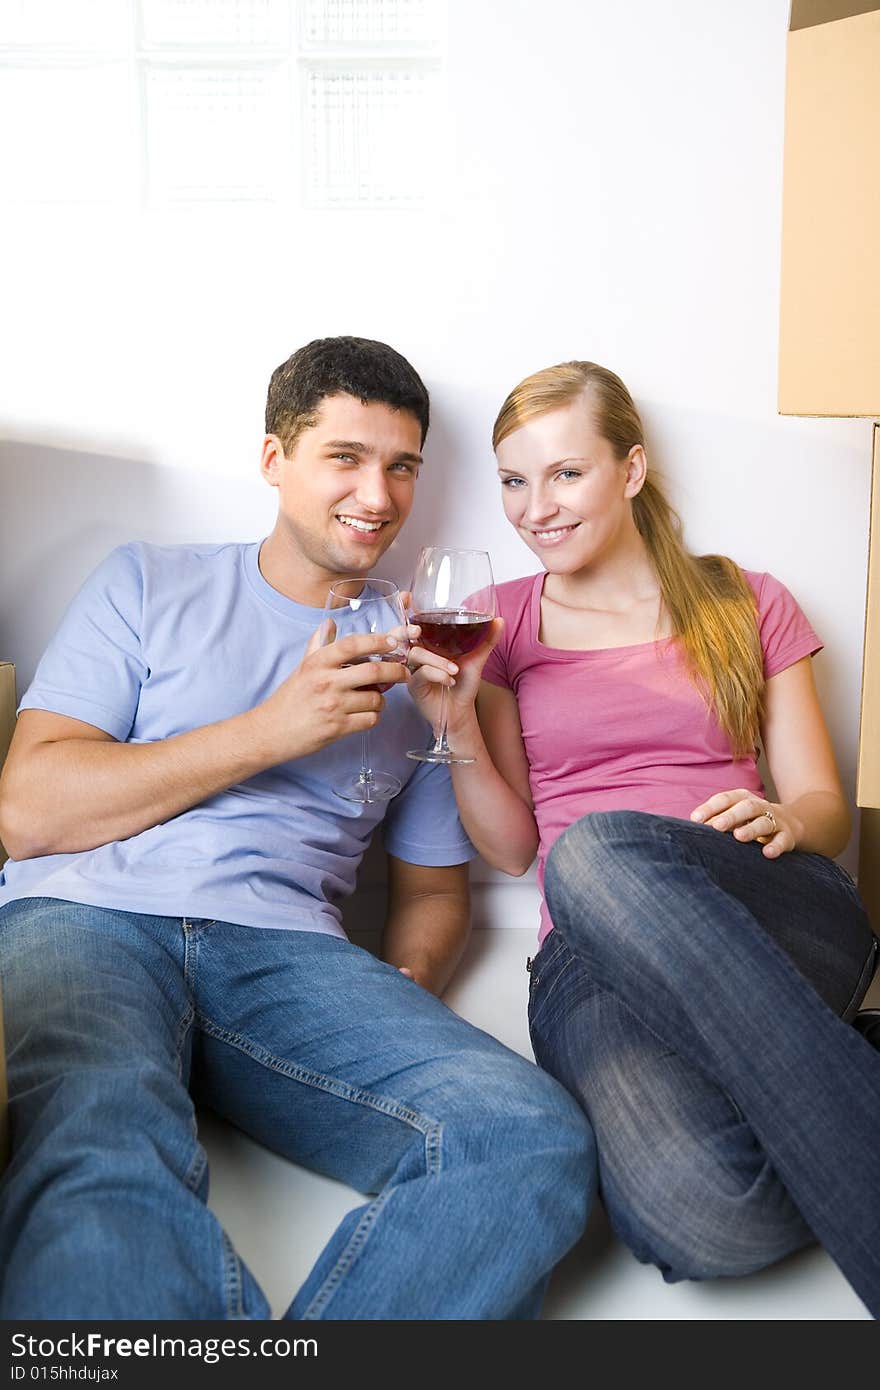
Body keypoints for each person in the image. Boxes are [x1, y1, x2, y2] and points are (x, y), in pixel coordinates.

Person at [0, 337, 593, 1321]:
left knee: (524, 1133)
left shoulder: (420, 651)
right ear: (275, 459)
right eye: (346, 457)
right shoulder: (148, 580)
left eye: (402, 465)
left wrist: (393, 996)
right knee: (91, 1148)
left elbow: (438, 893)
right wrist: (275, 728)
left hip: (288, 957)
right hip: (84, 917)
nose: (379, 493)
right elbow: (27, 813)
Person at [408, 359, 880, 1317]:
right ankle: (850, 1061)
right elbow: (510, 850)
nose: (534, 507)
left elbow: (825, 810)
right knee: (701, 1218)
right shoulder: (505, 624)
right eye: (512, 480)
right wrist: (453, 728)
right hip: (589, 955)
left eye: (564, 473)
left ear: (630, 469)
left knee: (599, 851)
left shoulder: (744, 600)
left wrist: (788, 818)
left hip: (769, 900)